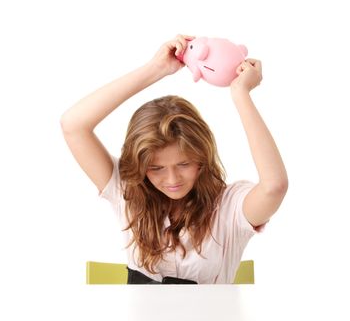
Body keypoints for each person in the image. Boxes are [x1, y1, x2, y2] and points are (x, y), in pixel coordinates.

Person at [60, 34, 288, 284]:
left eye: (184, 164)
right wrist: (155, 69)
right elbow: (73, 125)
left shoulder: (229, 208)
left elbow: (273, 187)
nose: (171, 179)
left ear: (202, 157)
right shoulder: (127, 191)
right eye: (156, 168)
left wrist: (241, 94)